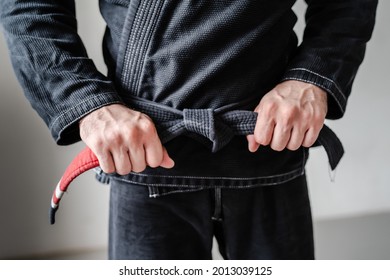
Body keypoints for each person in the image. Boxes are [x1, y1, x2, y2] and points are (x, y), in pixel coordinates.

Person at [0, 0, 377, 259]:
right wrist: (89, 106)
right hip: (144, 156)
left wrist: (313, 79)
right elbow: (30, 7)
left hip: (270, 143)